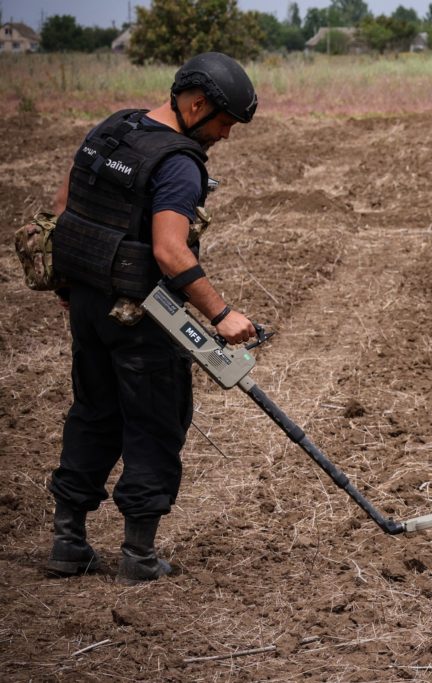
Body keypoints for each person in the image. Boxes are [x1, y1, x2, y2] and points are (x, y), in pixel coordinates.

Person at [46, 52, 258, 585]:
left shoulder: (113, 129)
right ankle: (138, 555)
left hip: (89, 302)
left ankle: (68, 542)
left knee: (94, 412)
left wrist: (72, 281)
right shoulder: (178, 162)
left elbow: (64, 207)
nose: (225, 136)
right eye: (225, 122)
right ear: (196, 104)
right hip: (142, 314)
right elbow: (170, 251)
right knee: (156, 422)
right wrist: (223, 315)